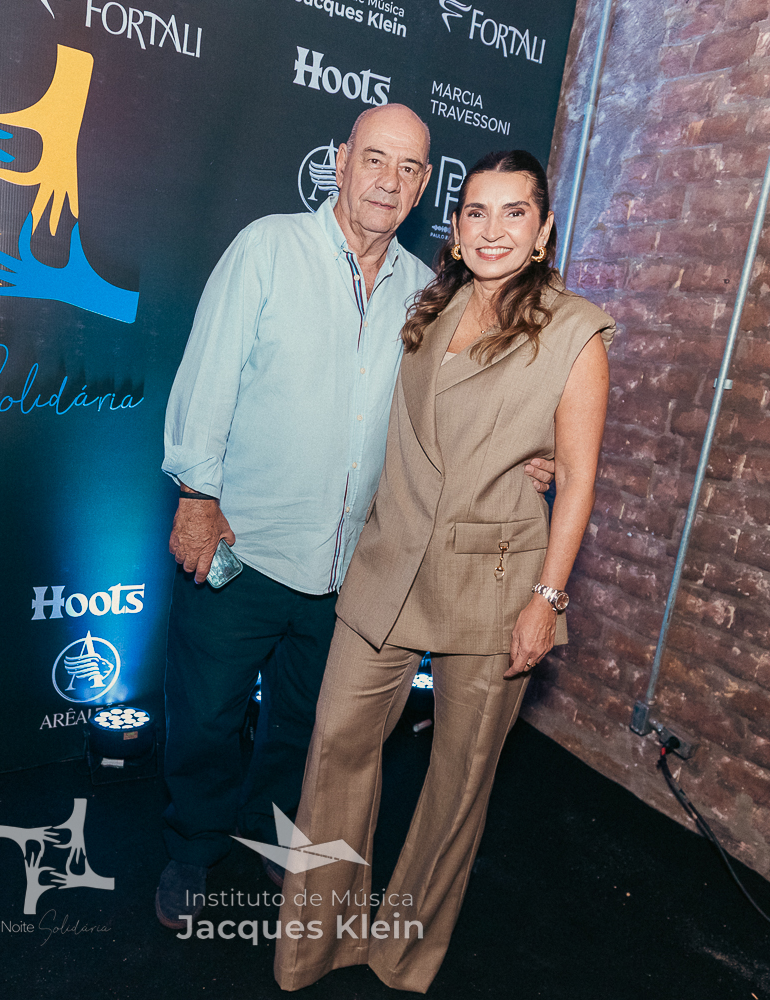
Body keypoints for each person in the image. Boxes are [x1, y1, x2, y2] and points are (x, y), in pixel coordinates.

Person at [156, 110, 551, 930]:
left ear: (423, 186)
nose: (388, 181)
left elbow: (453, 410)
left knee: (300, 724)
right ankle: (194, 845)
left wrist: (521, 454)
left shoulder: (427, 292)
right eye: (374, 159)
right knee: (207, 713)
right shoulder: (268, 248)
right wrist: (196, 496)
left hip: (350, 567)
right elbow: (209, 373)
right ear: (340, 163)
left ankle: (268, 836)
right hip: (242, 543)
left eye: (408, 169)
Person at [272, 149, 614, 993]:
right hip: (390, 560)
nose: (493, 230)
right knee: (337, 744)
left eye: (514, 213)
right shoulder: (429, 303)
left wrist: (547, 599)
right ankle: (317, 943)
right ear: (455, 229)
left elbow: (577, 480)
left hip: (496, 581)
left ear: (542, 231)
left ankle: (402, 951)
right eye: (476, 212)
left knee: (459, 778)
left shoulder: (575, 332)